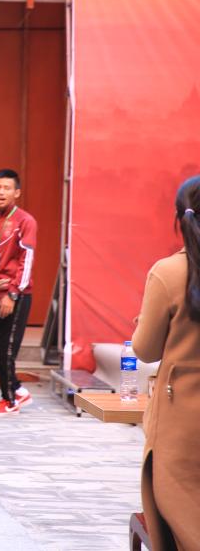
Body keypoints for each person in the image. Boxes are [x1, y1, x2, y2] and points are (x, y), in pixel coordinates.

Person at [132, 175, 200, 551]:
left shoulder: (169, 272)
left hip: (182, 417)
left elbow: (145, 349)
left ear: (180, 218)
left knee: (181, 515)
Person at [0, 169, 37, 417]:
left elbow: (27, 259)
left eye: (7, 188)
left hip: (16, 295)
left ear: (17, 193)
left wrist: (12, 293)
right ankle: (17, 389)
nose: (1, 192)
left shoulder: (26, 221)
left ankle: (10, 399)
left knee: (4, 348)